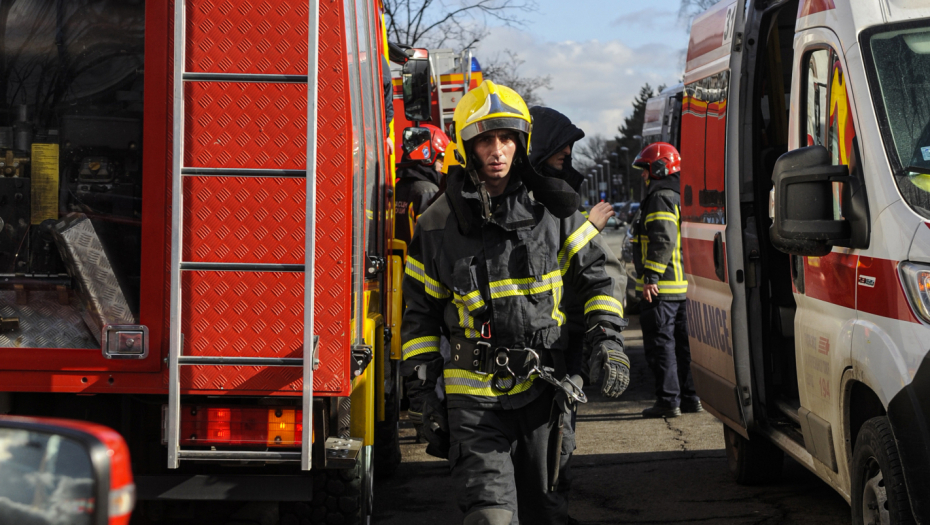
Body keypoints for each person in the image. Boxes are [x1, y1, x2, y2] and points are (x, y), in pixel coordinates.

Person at [401, 80, 629, 525]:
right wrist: (424, 395)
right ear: (467, 146)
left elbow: (599, 277)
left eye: (506, 138)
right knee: (491, 517)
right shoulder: (435, 225)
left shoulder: (555, 211)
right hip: (473, 403)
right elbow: (419, 318)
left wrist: (607, 339)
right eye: (485, 139)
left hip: (544, 395)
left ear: (521, 143)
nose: (497, 150)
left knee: (546, 513)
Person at [630, 142, 702, 418]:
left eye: (645, 169)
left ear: (659, 168)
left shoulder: (660, 197)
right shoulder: (678, 194)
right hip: (681, 287)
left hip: (661, 289)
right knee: (684, 347)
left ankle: (668, 401)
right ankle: (691, 398)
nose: (643, 175)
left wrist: (651, 276)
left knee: (661, 347)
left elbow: (663, 238)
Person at [394, 124, 450, 245]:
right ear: (427, 158)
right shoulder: (428, 192)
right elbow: (432, 239)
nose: (443, 165)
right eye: (441, 159)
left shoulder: (397, 187)